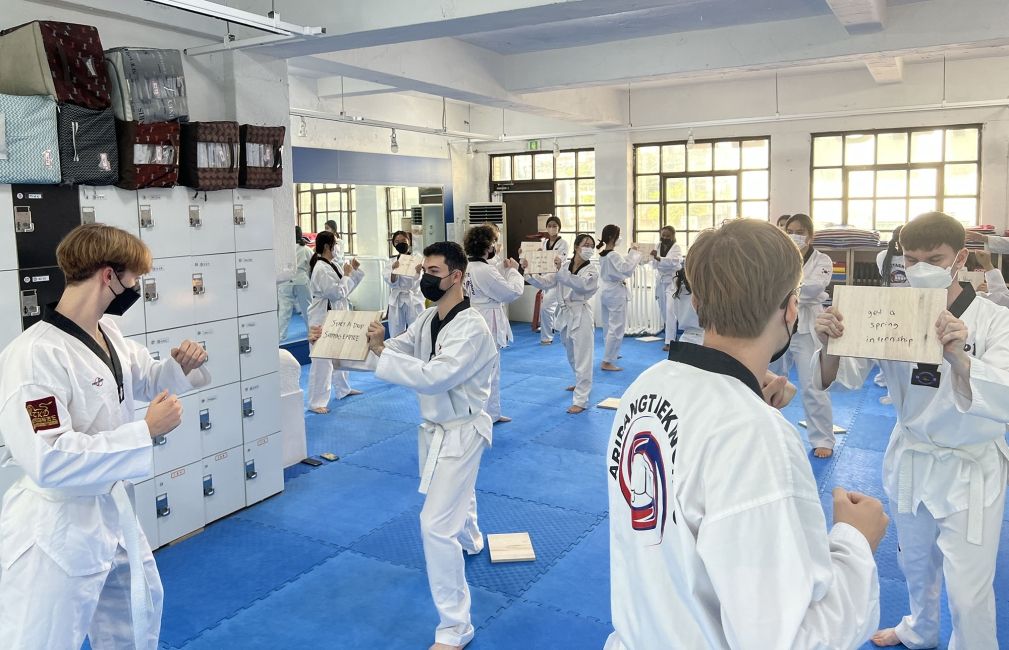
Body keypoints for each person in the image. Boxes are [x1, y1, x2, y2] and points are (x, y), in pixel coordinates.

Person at [605, 219, 885, 650]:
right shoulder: (756, 435)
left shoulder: (646, 386)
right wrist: (855, 543)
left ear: (697, 301)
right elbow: (785, 641)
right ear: (792, 309)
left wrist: (749, 397)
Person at [0, 224, 210, 650]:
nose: (136, 287)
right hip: (56, 528)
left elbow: (142, 379)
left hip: (109, 515)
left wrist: (179, 366)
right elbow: (50, 457)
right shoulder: (35, 357)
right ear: (108, 275)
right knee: (40, 638)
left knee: (138, 614)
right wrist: (145, 431)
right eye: (134, 277)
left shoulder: (108, 333)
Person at [814, 212, 1009, 650]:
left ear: (959, 258)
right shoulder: (890, 312)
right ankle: (920, 629)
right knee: (915, 563)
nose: (921, 268)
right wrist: (830, 343)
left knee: (968, 588)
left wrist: (960, 356)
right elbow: (840, 376)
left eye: (934, 258)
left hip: (969, 468)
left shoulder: (995, 320)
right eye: (912, 259)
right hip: (912, 458)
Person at [365, 241, 498, 650]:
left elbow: (435, 377)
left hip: (462, 431)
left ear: (456, 276)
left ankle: (456, 627)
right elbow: (393, 351)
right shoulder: (427, 320)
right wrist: (344, 342)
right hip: (437, 429)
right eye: (424, 268)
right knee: (460, 496)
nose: (426, 276)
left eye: (434, 271)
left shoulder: (472, 327)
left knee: (435, 526)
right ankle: (472, 537)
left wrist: (378, 352)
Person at [525, 234, 599, 414]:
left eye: (591, 245)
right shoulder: (564, 266)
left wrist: (560, 271)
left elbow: (581, 285)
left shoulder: (592, 270)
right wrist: (529, 272)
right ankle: (580, 382)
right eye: (585, 244)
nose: (589, 248)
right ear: (576, 246)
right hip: (565, 314)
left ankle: (581, 400)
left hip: (580, 313)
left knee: (583, 357)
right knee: (571, 354)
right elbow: (546, 282)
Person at [784, 213, 837, 458]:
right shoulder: (779, 256)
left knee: (813, 384)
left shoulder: (822, 259)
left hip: (807, 326)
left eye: (800, 231)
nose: (794, 235)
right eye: (790, 230)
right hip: (779, 324)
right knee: (768, 379)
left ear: (810, 235)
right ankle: (767, 433)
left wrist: (785, 288)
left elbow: (815, 288)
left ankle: (823, 438)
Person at [463, 225, 523, 424]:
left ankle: (490, 412)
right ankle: (485, 414)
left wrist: (503, 269)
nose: (496, 247)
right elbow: (511, 292)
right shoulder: (484, 270)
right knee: (489, 368)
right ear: (488, 246)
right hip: (487, 319)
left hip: (473, 315)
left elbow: (491, 281)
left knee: (479, 367)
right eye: (494, 243)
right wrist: (514, 271)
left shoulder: (468, 266)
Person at [306, 231, 364, 413]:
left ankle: (343, 389)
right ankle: (317, 402)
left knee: (340, 354)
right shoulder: (321, 268)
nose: (337, 247)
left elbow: (345, 289)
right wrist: (347, 275)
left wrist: (352, 271)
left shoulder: (331, 265)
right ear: (326, 246)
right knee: (322, 360)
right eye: (335, 244)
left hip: (336, 315)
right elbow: (335, 292)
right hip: (322, 317)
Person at [598, 225, 641, 372]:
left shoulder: (603, 253)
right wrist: (634, 252)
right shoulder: (613, 255)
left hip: (605, 290)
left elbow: (621, 268)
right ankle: (607, 361)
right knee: (617, 327)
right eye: (619, 234)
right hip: (615, 292)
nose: (620, 237)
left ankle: (611, 353)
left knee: (608, 325)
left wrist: (630, 254)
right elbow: (626, 269)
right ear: (611, 237)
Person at [649, 225, 683, 351]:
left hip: (672, 281)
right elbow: (653, 263)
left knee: (670, 309)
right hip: (661, 280)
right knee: (663, 309)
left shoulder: (676, 247)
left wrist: (658, 258)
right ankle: (669, 335)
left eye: (668, 236)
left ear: (673, 236)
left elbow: (675, 261)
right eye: (663, 235)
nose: (665, 238)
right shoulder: (658, 245)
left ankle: (670, 341)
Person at [385, 230, 425, 337]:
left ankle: (417, 352)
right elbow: (390, 281)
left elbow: (421, 280)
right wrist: (394, 271)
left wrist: (418, 271)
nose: (400, 243)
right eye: (397, 241)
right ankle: (396, 352)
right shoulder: (391, 262)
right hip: (397, 299)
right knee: (395, 330)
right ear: (394, 244)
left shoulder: (418, 260)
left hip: (414, 298)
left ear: (409, 242)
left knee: (417, 330)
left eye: (403, 240)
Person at [537, 215, 569, 346]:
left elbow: (561, 260)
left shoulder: (563, 244)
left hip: (557, 280)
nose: (552, 228)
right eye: (549, 226)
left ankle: (547, 337)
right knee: (551, 308)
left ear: (559, 228)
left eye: (555, 226)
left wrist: (548, 258)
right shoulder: (543, 243)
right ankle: (554, 329)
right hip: (545, 279)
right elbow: (539, 259)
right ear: (546, 228)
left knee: (546, 308)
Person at [278, 225, 313, 340]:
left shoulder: (283, 249)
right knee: (308, 309)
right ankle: (312, 333)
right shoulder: (306, 249)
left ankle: (280, 336)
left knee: (284, 310)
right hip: (301, 281)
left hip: (286, 281)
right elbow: (312, 266)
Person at [669, 265, 702, 344]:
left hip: (685, 338)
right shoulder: (699, 294)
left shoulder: (678, 294)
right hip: (702, 338)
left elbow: (675, 313)